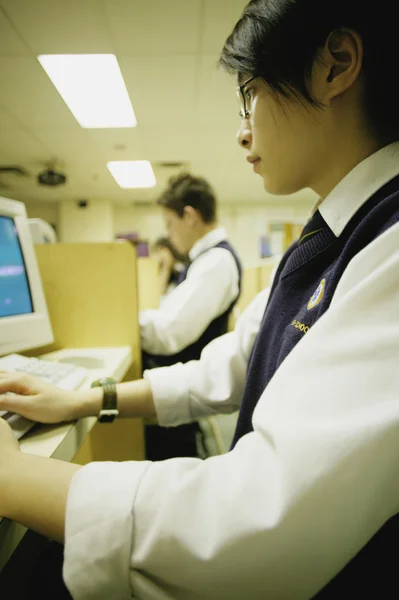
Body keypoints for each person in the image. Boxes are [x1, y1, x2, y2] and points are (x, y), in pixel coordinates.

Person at [0, 0, 399, 598]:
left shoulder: (387, 247)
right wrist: (83, 399)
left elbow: (254, 522)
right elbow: (229, 369)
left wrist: (10, 475)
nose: (243, 129)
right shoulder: (330, 240)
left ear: (335, 65)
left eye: (250, 93)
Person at [140, 173, 242, 460]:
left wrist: (124, 322)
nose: (169, 234)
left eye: (170, 224)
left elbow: (167, 334)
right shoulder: (204, 260)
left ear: (190, 216)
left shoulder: (215, 262)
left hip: (182, 400)